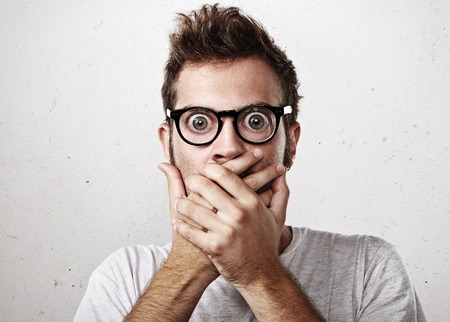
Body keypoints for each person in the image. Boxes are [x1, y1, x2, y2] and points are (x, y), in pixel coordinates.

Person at [75, 4, 426, 321]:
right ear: (168, 144)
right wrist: (188, 266)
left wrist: (260, 274)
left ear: (291, 143)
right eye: (199, 122)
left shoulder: (369, 268)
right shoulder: (123, 277)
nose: (228, 148)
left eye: (255, 120)